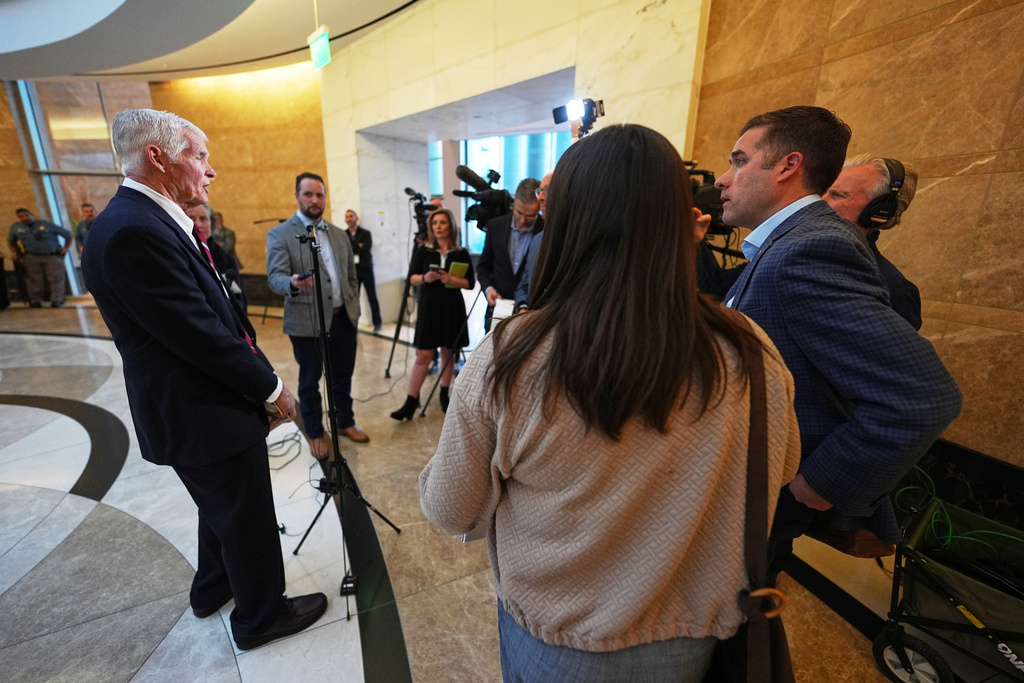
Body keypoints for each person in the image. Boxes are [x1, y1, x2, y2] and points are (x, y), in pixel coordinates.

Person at [420, 124, 802, 681]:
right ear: (680, 218)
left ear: (566, 221)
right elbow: (782, 466)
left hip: (558, 641)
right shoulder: (750, 349)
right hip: (692, 641)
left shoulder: (512, 359)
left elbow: (453, 510)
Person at [81, 108, 326, 651]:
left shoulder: (139, 220)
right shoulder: (132, 230)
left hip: (194, 406)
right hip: (199, 408)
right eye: (199, 155)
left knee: (222, 507)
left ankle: (211, 588)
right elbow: (198, 333)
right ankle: (262, 616)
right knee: (246, 514)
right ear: (157, 157)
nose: (209, 170)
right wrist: (272, 388)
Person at [716, 106, 962, 578]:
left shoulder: (809, 249)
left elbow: (922, 396)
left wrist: (820, 483)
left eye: (740, 160)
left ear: (788, 166)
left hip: (770, 492)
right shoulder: (786, 243)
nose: (725, 179)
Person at [266, 172, 369, 457]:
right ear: (297, 196)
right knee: (310, 381)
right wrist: (293, 283)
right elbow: (274, 277)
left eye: (319, 194)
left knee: (342, 377)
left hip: (342, 319)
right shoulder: (280, 234)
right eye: (308, 194)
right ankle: (314, 432)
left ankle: (345, 422)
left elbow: (351, 275)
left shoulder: (338, 234)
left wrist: (353, 307)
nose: (314, 200)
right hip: (306, 322)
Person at [391, 208, 474, 419]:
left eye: (442, 223)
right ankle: (411, 401)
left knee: (448, 353)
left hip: (451, 307)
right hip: (429, 308)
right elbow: (411, 278)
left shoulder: (461, 253)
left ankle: (444, 394)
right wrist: (425, 278)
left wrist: (451, 280)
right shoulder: (424, 251)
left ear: (450, 226)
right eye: (435, 223)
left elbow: (470, 283)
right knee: (423, 355)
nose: (438, 227)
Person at [823, 155, 921, 329]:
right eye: (822, 192)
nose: (820, 202)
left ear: (879, 212)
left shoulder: (893, 290)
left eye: (838, 195)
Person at [476, 178, 542, 330]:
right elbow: (482, 267)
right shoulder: (496, 226)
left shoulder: (545, 231)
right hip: (498, 308)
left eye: (531, 215)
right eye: (519, 213)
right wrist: (488, 289)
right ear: (514, 204)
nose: (523, 220)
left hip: (530, 313)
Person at [186, 203, 246, 310]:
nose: (198, 224)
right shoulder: (177, 256)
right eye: (191, 218)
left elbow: (238, 300)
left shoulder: (227, 259)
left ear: (211, 223)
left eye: (203, 218)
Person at [7, 208, 72, 308]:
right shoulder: (16, 227)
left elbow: (68, 235)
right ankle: (35, 300)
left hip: (51, 255)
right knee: (34, 280)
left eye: (26, 215)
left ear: (32, 214)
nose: (24, 218)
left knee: (56, 278)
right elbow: (11, 243)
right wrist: (16, 253)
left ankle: (57, 300)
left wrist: (65, 248)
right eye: (21, 217)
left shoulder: (46, 224)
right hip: (31, 256)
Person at [513, 171, 552, 312]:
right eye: (540, 191)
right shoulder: (537, 240)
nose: (540, 197)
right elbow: (525, 284)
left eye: (546, 190)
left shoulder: (578, 240)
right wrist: (522, 306)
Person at [344, 209, 383, 334]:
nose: (349, 219)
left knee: (372, 297)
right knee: (354, 298)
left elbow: (366, 249)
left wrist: (353, 248)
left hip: (366, 269)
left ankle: (377, 323)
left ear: (357, 218)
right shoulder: (343, 234)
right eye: (347, 217)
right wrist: (357, 246)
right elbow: (345, 252)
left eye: (351, 216)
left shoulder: (365, 233)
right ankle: (353, 323)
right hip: (353, 271)